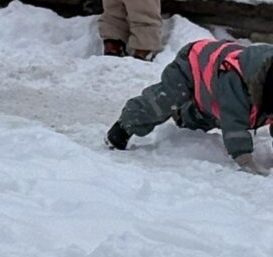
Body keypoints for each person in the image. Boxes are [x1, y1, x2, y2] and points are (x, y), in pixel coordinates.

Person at [106, 39, 273, 175]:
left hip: (219, 86)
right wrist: (245, 160)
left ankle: (184, 116)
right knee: (162, 103)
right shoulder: (235, 82)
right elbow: (234, 124)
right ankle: (126, 124)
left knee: (203, 119)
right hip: (193, 62)